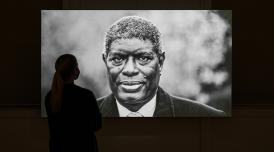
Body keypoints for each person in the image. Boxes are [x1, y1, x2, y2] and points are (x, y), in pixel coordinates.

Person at [97, 16, 226, 117]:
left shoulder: (209, 117)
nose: (130, 70)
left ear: (161, 62)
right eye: (118, 59)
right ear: (105, 62)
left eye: (143, 58)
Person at [45, 54, 102, 152]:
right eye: (77, 66)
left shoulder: (50, 97)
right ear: (75, 71)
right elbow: (97, 125)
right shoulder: (86, 95)